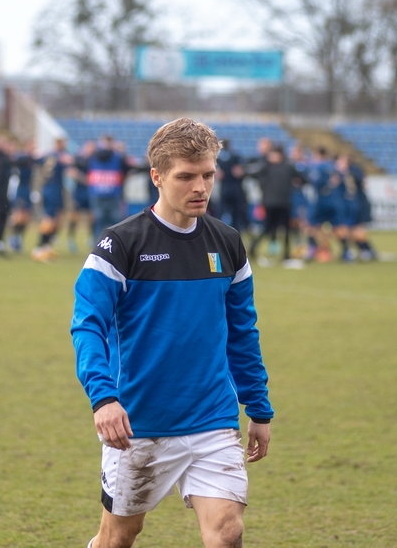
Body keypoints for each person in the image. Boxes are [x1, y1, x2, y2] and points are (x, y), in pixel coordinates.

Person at [71, 118, 274, 548]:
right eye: (186, 176)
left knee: (227, 532)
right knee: (120, 537)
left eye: (208, 175)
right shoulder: (119, 244)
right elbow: (88, 325)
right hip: (138, 421)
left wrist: (258, 408)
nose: (200, 187)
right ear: (157, 177)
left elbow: (243, 333)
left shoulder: (228, 243)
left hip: (212, 417)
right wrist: (104, 398)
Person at [245, 144, 304, 266]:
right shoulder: (266, 167)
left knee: (286, 230)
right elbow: (251, 174)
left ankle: (286, 254)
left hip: (284, 203)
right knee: (268, 228)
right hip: (270, 203)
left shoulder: (288, 167)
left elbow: (303, 179)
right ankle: (253, 248)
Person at [32, 137, 74, 262]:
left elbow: (35, 161)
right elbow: (70, 168)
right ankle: (39, 247)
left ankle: (46, 246)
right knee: (49, 218)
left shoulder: (46, 155)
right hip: (53, 189)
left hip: (47, 188)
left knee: (55, 218)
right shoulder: (60, 157)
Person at [216, 138, 248, 233]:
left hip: (225, 188)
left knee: (221, 213)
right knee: (236, 214)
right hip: (235, 188)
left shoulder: (219, 158)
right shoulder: (235, 157)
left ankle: (221, 232)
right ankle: (235, 233)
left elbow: (218, 174)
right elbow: (240, 172)